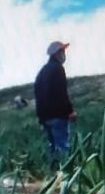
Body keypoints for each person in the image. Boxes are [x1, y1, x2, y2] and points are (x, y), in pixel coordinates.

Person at [34, 41, 77, 169]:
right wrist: (70, 111)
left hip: (46, 118)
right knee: (63, 147)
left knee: (53, 148)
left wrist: (41, 119)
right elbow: (61, 93)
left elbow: (38, 96)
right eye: (62, 51)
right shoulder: (58, 69)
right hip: (58, 116)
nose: (64, 54)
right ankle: (66, 177)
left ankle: (53, 176)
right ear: (57, 54)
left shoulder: (42, 72)